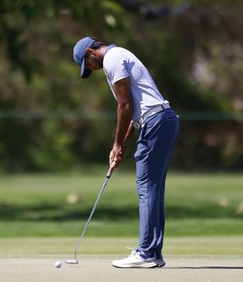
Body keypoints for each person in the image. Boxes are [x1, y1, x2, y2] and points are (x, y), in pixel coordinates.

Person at [72, 37, 180, 268]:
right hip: (161, 121)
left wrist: (118, 143)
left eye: (87, 64)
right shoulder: (118, 56)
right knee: (153, 188)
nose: (90, 69)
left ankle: (147, 252)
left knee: (146, 188)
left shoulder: (113, 58)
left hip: (156, 123)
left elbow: (125, 104)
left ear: (91, 51)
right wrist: (120, 146)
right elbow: (132, 108)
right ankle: (153, 253)